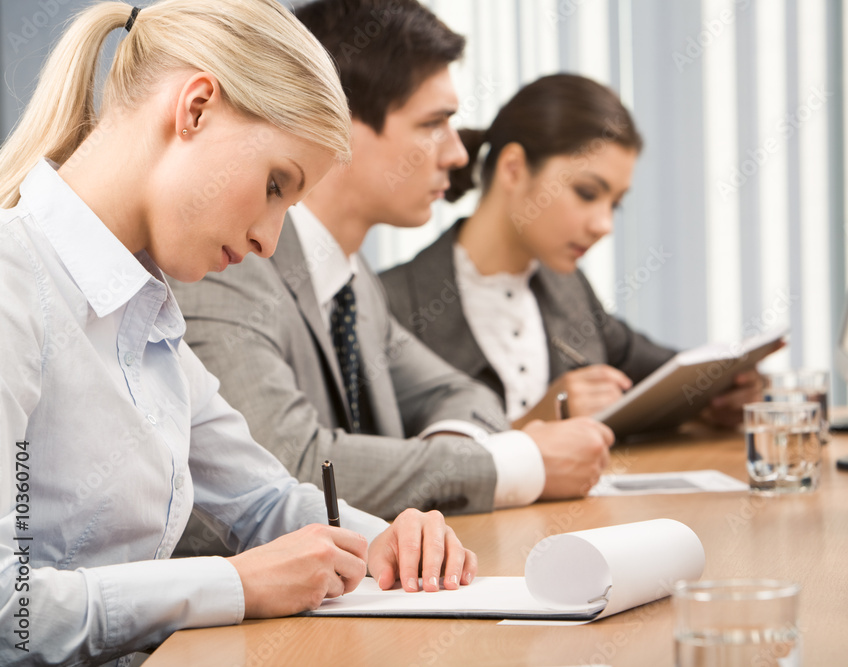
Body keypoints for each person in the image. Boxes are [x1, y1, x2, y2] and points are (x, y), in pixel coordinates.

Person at [0, 2, 474, 665]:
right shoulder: (13, 284)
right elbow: (8, 611)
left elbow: (265, 499)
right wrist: (236, 584)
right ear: (195, 108)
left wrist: (383, 541)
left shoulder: (147, 311)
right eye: (276, 184)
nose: (267, 239)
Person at [169, 0, 613, 543]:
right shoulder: (227, 263)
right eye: (433, 124)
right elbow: (289, 467)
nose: (456, 154)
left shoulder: (354, 286)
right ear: (335, 124)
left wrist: (451, 457)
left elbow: (463, 396)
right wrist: (513, 464)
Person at [380, 74, 762, 429]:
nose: (604, 225)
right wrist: (533, 427)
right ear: (513, 169)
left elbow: (667, 377)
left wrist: (722, 392)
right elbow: (394, 468)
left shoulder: (568, 288)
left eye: (615, 204)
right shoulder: (388, 305)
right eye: (587, 193)